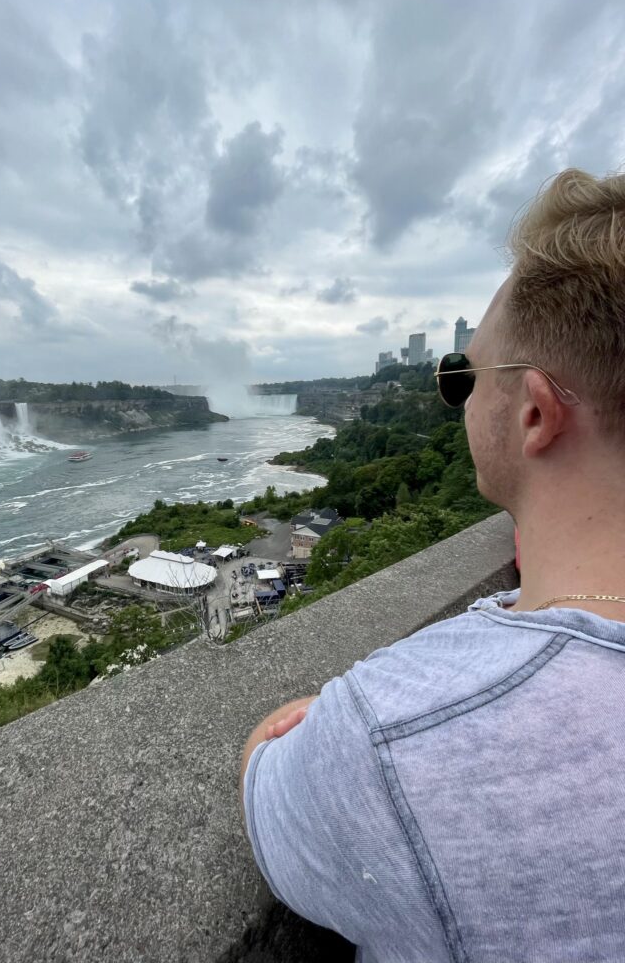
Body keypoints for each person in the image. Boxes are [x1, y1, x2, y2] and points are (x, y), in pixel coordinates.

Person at [240, 168, 625, 962]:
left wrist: (336, 731)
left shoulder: (400, 738)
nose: (455, 395)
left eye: (463, 376)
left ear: (533, 412)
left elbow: (263, 783)